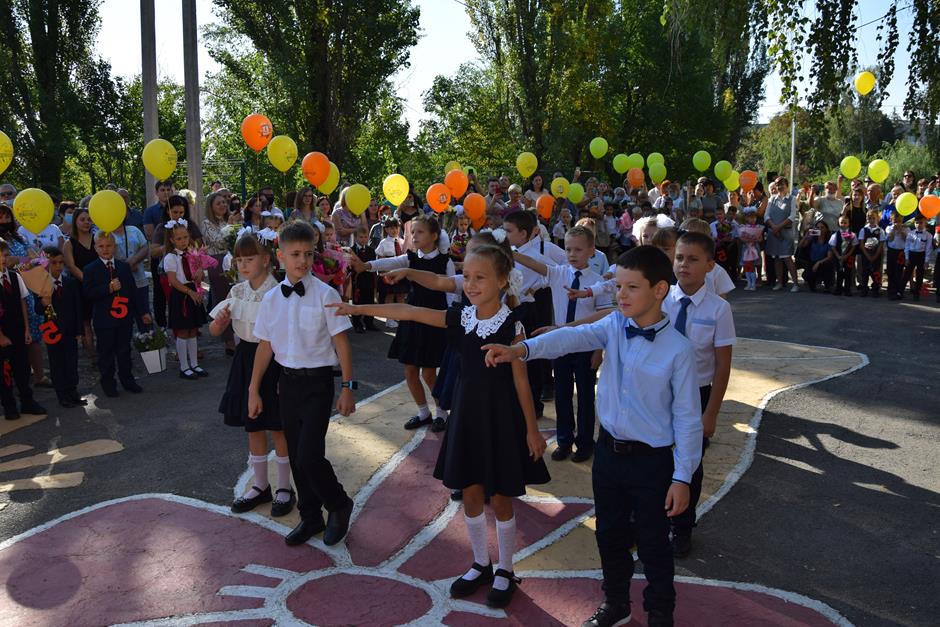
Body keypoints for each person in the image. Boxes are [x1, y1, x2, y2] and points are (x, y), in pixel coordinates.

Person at [483, 246, 702, 627]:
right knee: (610, 535)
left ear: (659, 290)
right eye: (618, 286)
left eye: (632, 287)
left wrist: (682, 477)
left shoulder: (679, 350)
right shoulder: (614, 325)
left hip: (653, 463)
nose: (621, 295)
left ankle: (660, 613)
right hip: (609, 456)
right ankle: (616, 603)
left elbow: (688, 420)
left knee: (653, 542)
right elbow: (571, 338)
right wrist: (520, 350)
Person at [328, 243, 549, 609]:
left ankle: (506, 569)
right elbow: (410, 311)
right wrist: (357, 308)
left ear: (502, 281)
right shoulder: (461, 318)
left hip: (500, 421)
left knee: (500, 496)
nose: (471, 284)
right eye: (468, 277)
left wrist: (531, 429)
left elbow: (522, 382)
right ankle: (480, 563)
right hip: (466, 418)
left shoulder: (513, 324)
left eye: (481, 278)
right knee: (471, 493)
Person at [248, 221, 357, 547]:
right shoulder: (271, 299)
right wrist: (253, 389)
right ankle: (310, 517)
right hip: (287, 385)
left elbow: (342, 344)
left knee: (310, 454)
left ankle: (339, 503)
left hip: (318, 385)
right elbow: (265, 346)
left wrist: (348, 387)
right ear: (280, 256)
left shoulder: (326, 294)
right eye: (295, 254)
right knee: (296, 456)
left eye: (308, 254)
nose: (303, 260)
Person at [513, 225, 614, 463]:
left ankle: (585, 444)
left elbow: (603, 319)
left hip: (586, 347)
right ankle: (564, 441)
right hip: (560, 346)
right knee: (562, 395)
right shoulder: (558, 273)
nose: (572, 254)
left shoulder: (597, 283)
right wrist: (512, 254)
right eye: (568, 249)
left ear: (592, 251)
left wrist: (598, 351)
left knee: (586, 397)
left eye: (578, 249)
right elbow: (536, 265)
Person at [211, 233, 294, 517]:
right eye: (239, 260)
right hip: (245, 359)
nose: (244, 265)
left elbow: (287, 335)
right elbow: (214, 329)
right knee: (253, 424)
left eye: (250, 258)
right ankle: (260, 485)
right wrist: (221, 322)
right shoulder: (237, 291)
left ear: (266, 260)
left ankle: (285, 487)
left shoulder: (279, 292)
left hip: (275, 359)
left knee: (278, 425)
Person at [663, 232, 735, 558]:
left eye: (693, 259)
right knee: (655, 459)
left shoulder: (719, 309)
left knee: (689, 463)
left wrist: (711, 413)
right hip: (659, 393)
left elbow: (722, 365)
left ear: (709, 265)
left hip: (697, 395)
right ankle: (653, 517)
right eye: (679, 258)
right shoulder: (660, 298)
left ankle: (682, 527)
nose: (684, 265)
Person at [348, 214, 453, 430]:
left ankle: (441, 413)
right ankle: (423, 412)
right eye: (412, 232)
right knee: (410, 370)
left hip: (434, 319)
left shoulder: (446, 261)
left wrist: (450, 322)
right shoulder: (410, 258)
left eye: (420, 232)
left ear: (434, 236)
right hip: (411, 316)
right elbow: (389, 262)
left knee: (429, 373)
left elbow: (452, 295)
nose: (414, 236)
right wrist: (366, 265)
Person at [84, 232, 151, 397]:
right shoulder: (90, 269)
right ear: (95, 248)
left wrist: (142, 312)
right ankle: (108, 383)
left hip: (124, 317)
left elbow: (133, 291)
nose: (105, 249)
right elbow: (88, 294)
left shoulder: (123, 267)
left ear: (114, 247)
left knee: (124, 350)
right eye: (101, 246)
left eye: (108, 246)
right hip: (104, 319)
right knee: (106, 352)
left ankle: (127, 380)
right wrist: (107, 288)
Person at [0, 203, 49, 386]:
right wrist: (25, 262)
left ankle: (39, 375)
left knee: (34, 335)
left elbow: (41, 260)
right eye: (0, 217)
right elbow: (8, 264)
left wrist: (20, 261)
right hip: (7, 294)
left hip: (29, 291)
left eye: (7, 217)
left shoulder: (19, 239)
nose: (4, 221)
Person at [0, 238, 47, 419]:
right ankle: (9, 405)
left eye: (5, 255)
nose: (3, 259)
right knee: (5, 372)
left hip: (18, 329)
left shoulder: (15, 276)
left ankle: (27, 401)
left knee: (22, 368)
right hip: (3, 333)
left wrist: (27, 329)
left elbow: (22, 304)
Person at [37, 247, 85, 408]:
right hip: (52, 330)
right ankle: (62, 394)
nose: (58, 266)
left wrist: (79, 330)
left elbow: (77, 307)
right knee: (57, 364)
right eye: (53, 263)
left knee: (71, 362)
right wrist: (44, 303)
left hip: (70, 330)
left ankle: (73, 391)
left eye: (61, 263)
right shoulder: (41, 285)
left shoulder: (70, 283)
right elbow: (38, 309)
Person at [163, 219, 209, 379]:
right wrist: (189, 292)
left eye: (185, 237)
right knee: (183, 331)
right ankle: (184, 366)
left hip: (193, 290)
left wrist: (200, 273)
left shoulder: (192, 254)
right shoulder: (170, 257)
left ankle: (194, 364)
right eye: (179, 238)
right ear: (171, 240)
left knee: (193, 329)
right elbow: (173, 281)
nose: (183, 241)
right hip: (181, 293)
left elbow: (198, 274)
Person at [203, 191, 236, 351]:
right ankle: (228, 339)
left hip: (233, 260)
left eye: (224, 202)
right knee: (223, 300)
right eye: (218, 203)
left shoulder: (230, 219)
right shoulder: (207, 223)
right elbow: (220, 242)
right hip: (217, 262)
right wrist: (231, 226)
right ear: (211, 207)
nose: (223, 205)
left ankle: (238, 334)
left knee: (235, 297)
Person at [63, 207, 98, 355]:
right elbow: (71, 266)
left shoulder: (97, 239)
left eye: (89, 219)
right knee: (85, 322)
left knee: (100, 319)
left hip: (100, 285)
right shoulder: (69, 243)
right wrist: (87, 282)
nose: (86, 222)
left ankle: (105, 350)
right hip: (80, 287)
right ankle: (92, 353)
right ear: (75, 222)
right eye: (82, 219)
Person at [144, 179, 174, 329]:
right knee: (159, 291)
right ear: (156, 192)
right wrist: (167, 242)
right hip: (160, 255)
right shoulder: (150, 211)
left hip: (177, 255)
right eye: (162, 190)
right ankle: (161, 324)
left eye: (168, 189)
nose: (166, 193)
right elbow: (150, 234)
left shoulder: (178, 208)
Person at [764, 177, 800, 292]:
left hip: (785, 234)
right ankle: (779, 282)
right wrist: (774, 227)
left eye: (782, 184)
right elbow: (766, 216)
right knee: (777, 258)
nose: (780, 187)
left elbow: (792, 216)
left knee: (787, 258)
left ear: (787, 186)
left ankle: (795, 284)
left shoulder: (792, 199)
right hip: (774, 234)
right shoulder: (772, 199)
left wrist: (778, 227)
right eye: (778, 185)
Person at [350, 226, 377, 333]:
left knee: (369, 301)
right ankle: (357, 324)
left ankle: (369, 322)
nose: (363, 239)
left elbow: (373, 265)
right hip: (357, 281)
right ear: (356, 237)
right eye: (361, 237)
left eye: (365, 237)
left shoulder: (371, 250)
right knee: (357, 302)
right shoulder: (352, 250)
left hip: (369, 280)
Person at [798, 219, 834, 292]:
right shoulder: (812, 238)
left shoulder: (829, 240)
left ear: (826, 229)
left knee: (828, 267)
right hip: (812, 262)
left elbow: (829, 257)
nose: (820, 229)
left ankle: (827, 286)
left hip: (823, 262)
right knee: (807, 275)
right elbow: (801, 246)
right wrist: (806, 236)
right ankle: (812, 284)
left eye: (822, 227)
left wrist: (819, 262)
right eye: (818, 227)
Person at [903, 215, 933, 301]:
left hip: (921, 255)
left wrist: (926, 261)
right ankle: (900, 291)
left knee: (919, 275)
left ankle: (916, 294)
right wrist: (907, 258)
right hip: (911, 255)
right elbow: (907, 246)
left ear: (925, 223)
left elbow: (928, 249)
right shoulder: (910, 233)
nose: (919, 224)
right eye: (917, 223)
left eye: (921, 223)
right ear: (914, 223)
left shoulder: (928, 235)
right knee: (907, 273)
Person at [857, 209, 886, 297]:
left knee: (876, 272)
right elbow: (861, 244)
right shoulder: (863, 230)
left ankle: (875, 289)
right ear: (867, 219)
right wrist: (867, 255)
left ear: (878, 218)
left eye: (873, 218)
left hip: (876, 254)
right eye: (869, 218)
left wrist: (875, 255)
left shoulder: (880, 230)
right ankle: (864, 289)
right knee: (865, 271)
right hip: (866, 254)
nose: (871, 220)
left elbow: (881, 244)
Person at [829, 214, 858, 296]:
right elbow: (833, 246)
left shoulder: (852, 234)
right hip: (838, 257)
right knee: (839, 273)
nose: (843, 224)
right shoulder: (835, 235)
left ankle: (847, 289)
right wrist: (838, 255)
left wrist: (848, 255)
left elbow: (854, 246)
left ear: (848, 224)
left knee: (848, 273)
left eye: (845, 223)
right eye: (841, 222)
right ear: (838, 223)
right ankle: (838, 288)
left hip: (849, 257)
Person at [738, 208, 764, 291]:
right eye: (751, 217)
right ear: (746, 218)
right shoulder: (743, 227)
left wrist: (755, 239)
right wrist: (747, 240)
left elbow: (760, 239)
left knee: (752, 267)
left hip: (754, 249)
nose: (753, 219)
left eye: (754, 217)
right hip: (746, 249)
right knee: (747, 266)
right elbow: (741, 238)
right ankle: (749, 283)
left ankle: (753, 284)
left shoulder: (758, 228)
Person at [885, 211, 908, 300]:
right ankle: (891, 291)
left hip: (901, 252)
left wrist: (901, 230)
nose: (897, 223)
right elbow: (890, 239)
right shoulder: (889, 228)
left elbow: (906, 240)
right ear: (891, 220)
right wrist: (894, 230)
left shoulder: (906, 229)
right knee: (891, 271)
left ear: (902, 220)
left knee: (899, 271)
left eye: (899, 221)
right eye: (895, 221)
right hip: (892, 251)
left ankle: (898, 291)